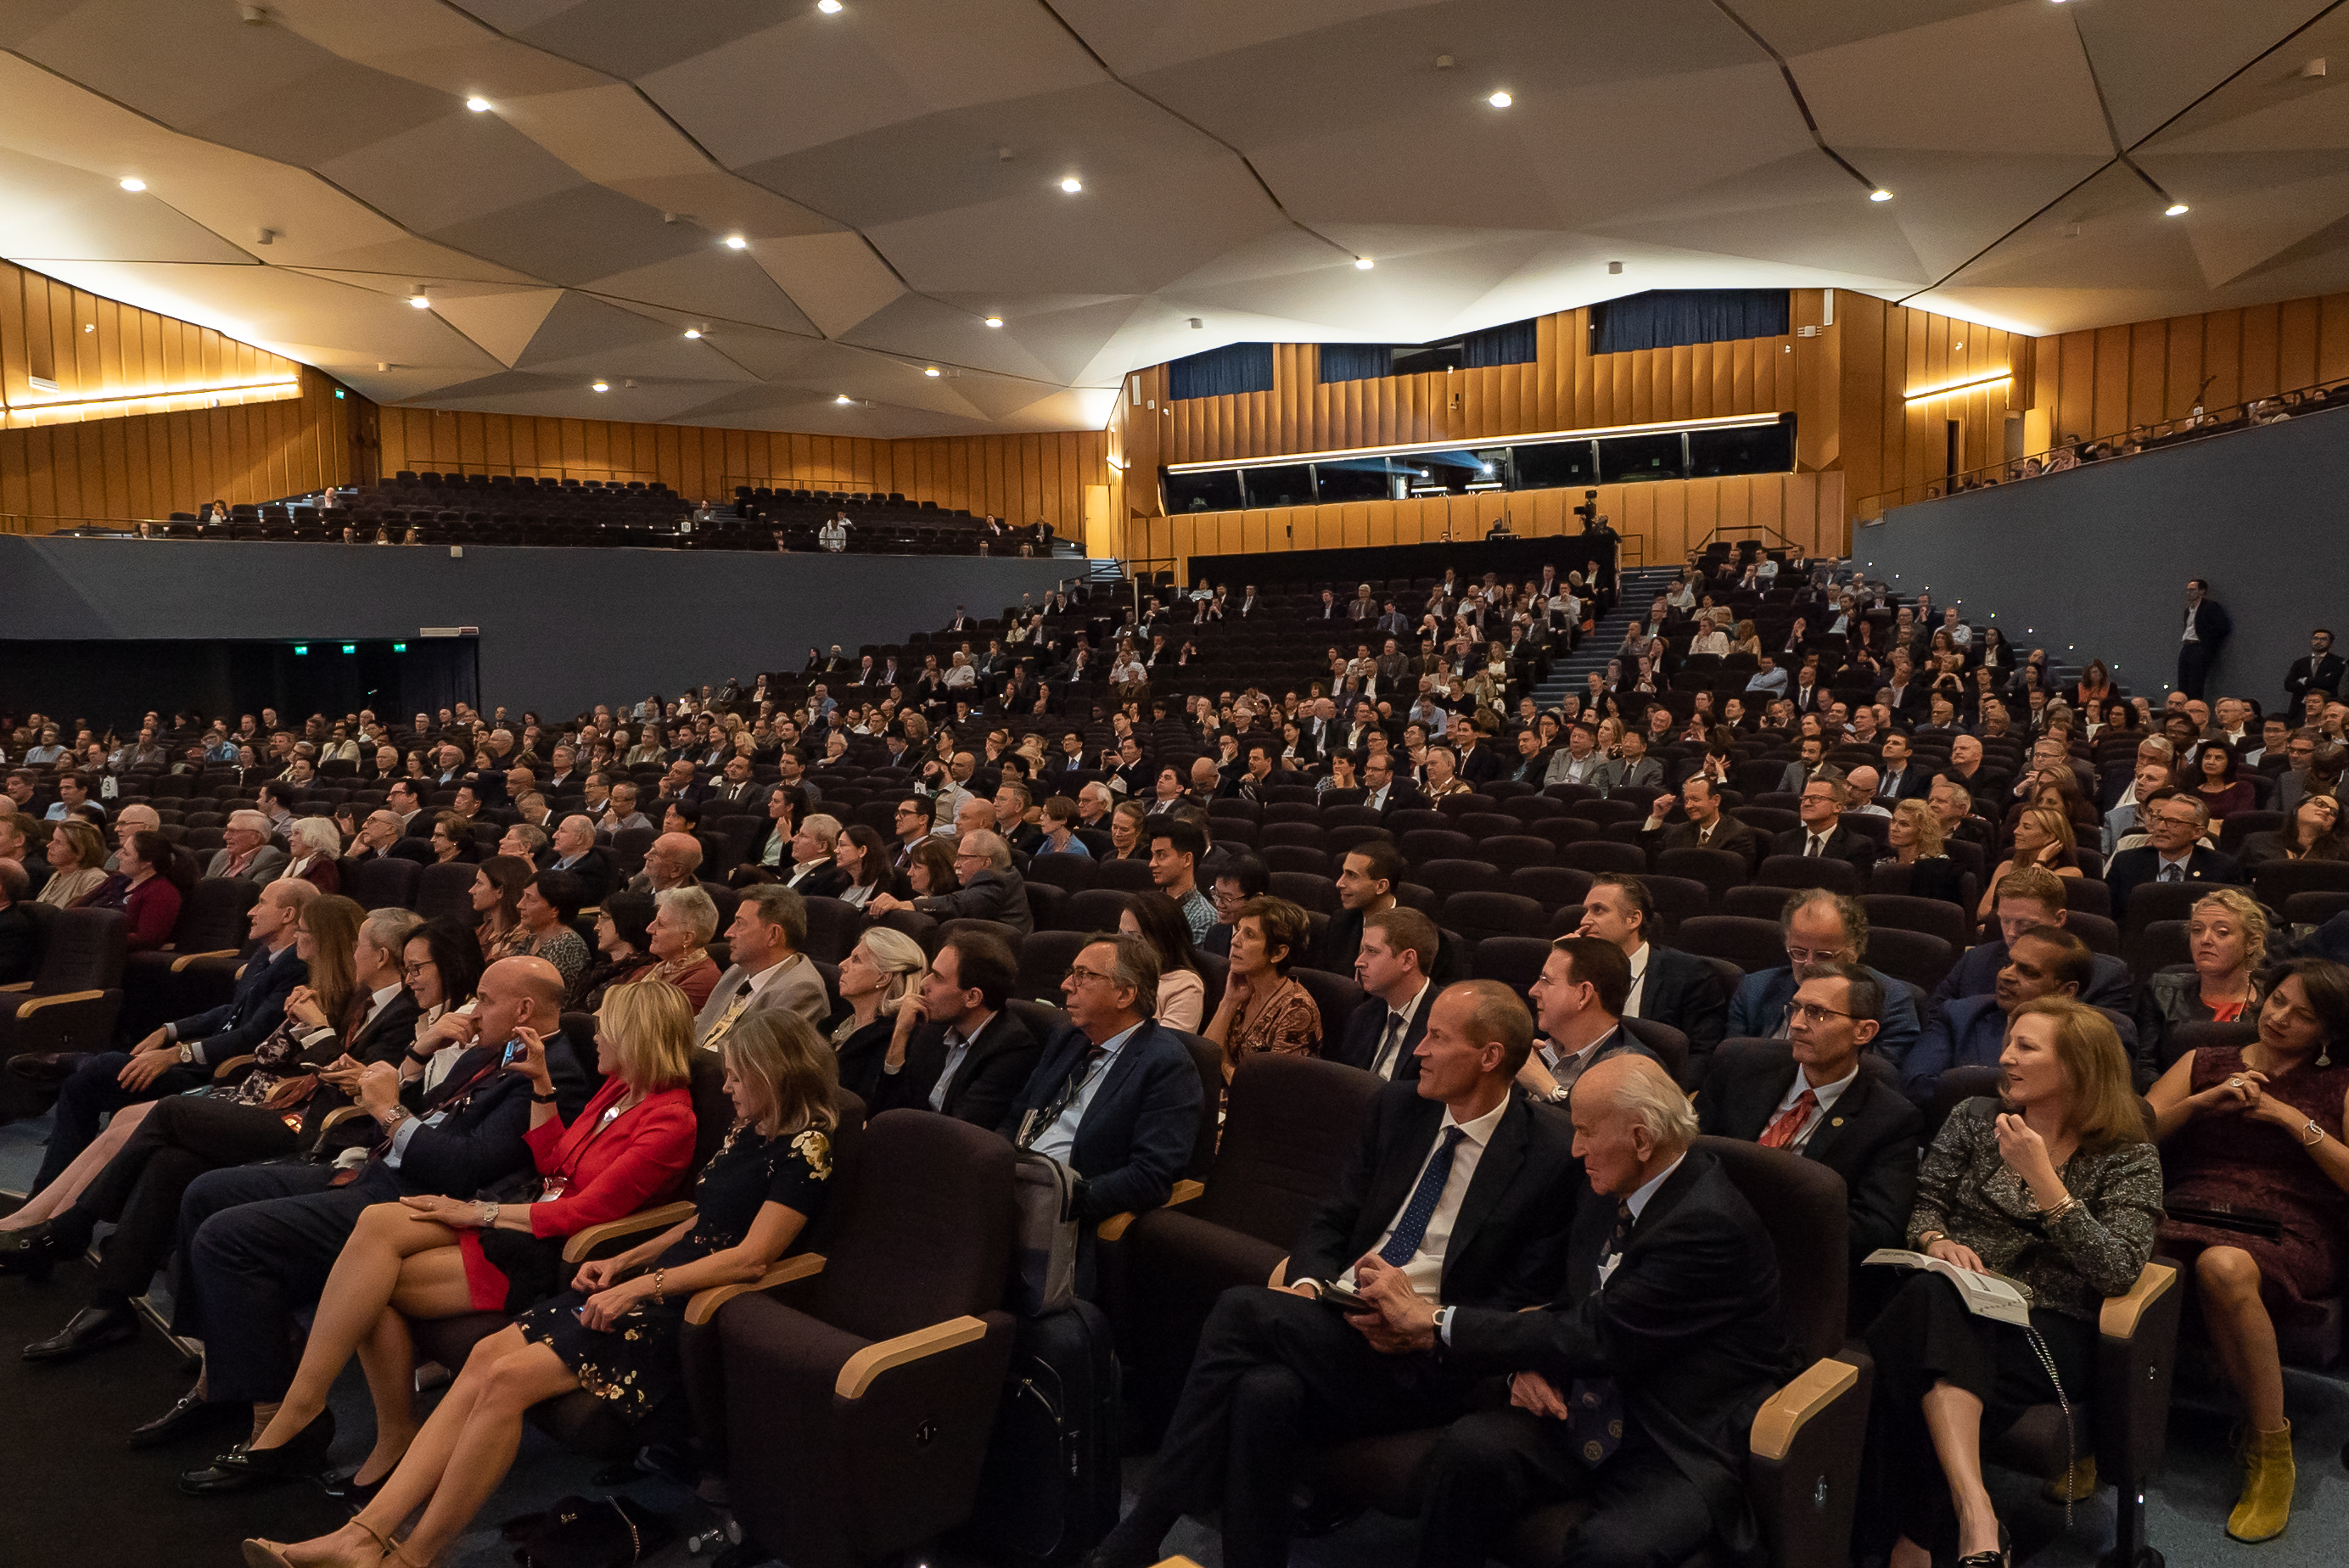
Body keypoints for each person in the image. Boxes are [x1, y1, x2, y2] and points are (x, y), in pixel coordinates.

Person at [240, 1009, 833, 1568]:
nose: (727, 1088)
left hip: (679, 1311)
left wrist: (639, 1286)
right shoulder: (751, 1129)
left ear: (771, 1076)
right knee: (483, 1357)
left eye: (736, 1077)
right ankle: (362, 1535)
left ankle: (411, 1555)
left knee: (504, 1383)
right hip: (650, 1283)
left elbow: (753, 1258)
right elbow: (701, 1220)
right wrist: (624, 1259)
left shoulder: (808, 1148)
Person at [1088, 981, 1581, 1568]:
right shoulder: (1401, 1107)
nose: (1418, 1048)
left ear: (1490, 1057)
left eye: (1437, 1038)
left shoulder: (1548, 1155)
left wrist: (1426, 1324)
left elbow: (1523, 1295)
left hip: (1431, 1355)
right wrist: (1306, 1286)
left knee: (1240, 1311)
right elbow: (1333, 1216)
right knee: (1262, 1391)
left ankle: (1146, 1526)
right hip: (1339, 1317)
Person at [209, 977, 697, 1504]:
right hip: (526, 1216)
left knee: (373, 1285)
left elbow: (586, 1211)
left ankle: (337, 1422)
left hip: (550, 1249)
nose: (596, 1034)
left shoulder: (671, 1118)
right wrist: (540, 1087)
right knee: (376, 1226)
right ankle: (315, 1413)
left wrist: (476, 1211)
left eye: (608, 1027)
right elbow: (553, 1163)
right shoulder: (618, 1088)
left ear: (638, 1036)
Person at [150, 958, 589, 1478]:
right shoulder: (494, 1051)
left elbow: (463, 1168)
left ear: (524, 1008)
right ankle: (220, 1376)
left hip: (415, 1203)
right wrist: (414, 1058)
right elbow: (428, 1110)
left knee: (227, 1237)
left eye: (486, 1000)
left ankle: (275, 1417)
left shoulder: (552, 1071)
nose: (474, 1008)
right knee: (206, 1191)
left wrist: (386, 1111)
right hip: (379, 1172)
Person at [1366, 1051, 1799, 1568]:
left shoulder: (1707, 1224)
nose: (1575, 1150)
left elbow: (1598, 1336)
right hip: (1582, 1401)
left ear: (1641, 1139)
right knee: (1469, 1451)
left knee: (1609, 1552)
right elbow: (1575, 1302)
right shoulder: (1609, 1184)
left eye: (1587, 1132)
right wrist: (1527, 1359)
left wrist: (1435, 1320)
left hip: (1668, 1435)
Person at [1859, 1000, 2160, 1568]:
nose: (2005, 1058)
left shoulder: (2127, 1153)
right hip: (1952, 1302)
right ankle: (1973, 1515)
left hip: (2047, 1327)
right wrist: (1934, 1242)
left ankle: (1920, 1536)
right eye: (2009, 1042)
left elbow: (2118, 1269)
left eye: (2026, 1047)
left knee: (1909, 1346)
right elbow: (1926, 1206)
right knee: (1933, 1304)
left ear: (2076, 1065)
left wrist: (2043, 1178)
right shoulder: (1974, 1116)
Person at [3, 898, 375, 1340]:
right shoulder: (307, 981)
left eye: (305, 932)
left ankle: (64, 1225)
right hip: (256, 1092)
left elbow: (329, 1074)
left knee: (153, 1109)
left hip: (288, 1115)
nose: (251, 910)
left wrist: (308, 1026)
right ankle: (90, 1279)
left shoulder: (349, 999)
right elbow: (258, 1041)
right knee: (147, 1139)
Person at [2146, 958, 2349, 1541]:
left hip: (2295, 1227)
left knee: (2223, 1265)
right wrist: (2204, 1103)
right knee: (2118, 1250)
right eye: (2278, 1000)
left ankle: (2270, 1453)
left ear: (2328, 1033)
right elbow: (2133, 1131)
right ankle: (2099, 1428)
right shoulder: (2203, 1060)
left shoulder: (2340, 1084)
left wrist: (2290, 1119)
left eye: (2302, 1015)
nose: (2279, 1017)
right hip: (2189, 1208)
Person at [14, 876, 315, 1191]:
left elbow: (251, 1036)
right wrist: (169, 1030)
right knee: (80, 1087)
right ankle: (47, 1193)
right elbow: (232, 1011)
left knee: (97, 1072)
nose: (251, 911)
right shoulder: (265, 954)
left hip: (226, 1074)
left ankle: (79, 1070)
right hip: (205, 1060)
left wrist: (176, 1053)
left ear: (288, 914)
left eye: (262, 903)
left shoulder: (298, 966)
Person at [998, 934, 1204, 1291]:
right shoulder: (1069, 1037)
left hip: (1068, 1216)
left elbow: (1151, 1176)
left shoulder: (1167, 1066)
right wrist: (992, 1167)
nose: (1066, 985)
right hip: (1012, 1187)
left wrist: (1062, 1198)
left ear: (1125, 994)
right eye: (1071, 973)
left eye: (1083, 975)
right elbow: (1019, 1115)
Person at [1701, 961, 1920, 1268]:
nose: (1796, 1024)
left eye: (1817, 1013)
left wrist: (1764, 1230)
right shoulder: (1739, 1067)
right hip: (1703, 1234)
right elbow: (1690, 1151)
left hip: (1793, 1262)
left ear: (1864, 1031)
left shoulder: (1890, 1120)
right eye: (1796, 1008)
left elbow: (1876, 1228)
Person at [1904, 924, 2133, 1102]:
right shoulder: (1959, 1014)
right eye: (2009, 963)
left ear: (2066, 991)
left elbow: (2100, 1106)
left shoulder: (2105, 1037)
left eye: (2028, 972)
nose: (2006, 975)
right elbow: (1915, 1084)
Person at [1725, 890, 1923, 1067]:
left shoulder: (1891, 1001)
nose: (1809, 964)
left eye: (1825, 955)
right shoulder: (1754, 989)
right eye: (1799, 952)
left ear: (1854, 950)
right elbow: (1732, 1064)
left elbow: (1877, 1078)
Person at [872, 928, 1041, 1125]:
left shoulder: (1012, 1050)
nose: (924, 984)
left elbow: (961, 1132)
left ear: (972, 997)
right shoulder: (933, 1027)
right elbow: (887, 1110)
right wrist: (900, 1034)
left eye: (937, 977)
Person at [1573, 875, 1725, 1079]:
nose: (1584, 921)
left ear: (1633, 919)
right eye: (1586, 911)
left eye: (1598, 910)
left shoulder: (1689, 974)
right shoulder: (1579, 969)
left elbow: (1703, 1055)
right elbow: (1544, 1030)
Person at [1932, 867, 2133, 1014]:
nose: (2011, 932)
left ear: (2058, 919)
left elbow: (2106, 1054)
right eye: (2005, 920)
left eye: (2025, 924)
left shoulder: (2106, 976)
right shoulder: (1975, 960)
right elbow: (1937, 1019)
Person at [2136, 888, 2268, 1079]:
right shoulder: (2161, 991)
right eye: (2196, 930)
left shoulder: (2273, 1000)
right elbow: (2144, 1067)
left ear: (2252, 943)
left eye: (2222, 932)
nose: (2205, 940)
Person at [1512, 935, 1658, 1108]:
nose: (1533, 991)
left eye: (1546, 981)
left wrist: (1547, 1089)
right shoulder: (1533, 1045)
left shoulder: (1633, 1072)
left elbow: (1591, 1133)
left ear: (1583, 994)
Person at [696, 882, 832, 1050]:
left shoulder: (801, 990)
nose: (728, 933)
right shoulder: (737, 971)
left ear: (773, 935)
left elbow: (761, 1059)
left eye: (740, 924)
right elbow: (699, 1026)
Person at [1202, 895, 1321, 1079]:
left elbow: (1269, 1092)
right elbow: (1205, 1056)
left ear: (1279, 953)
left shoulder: (1298, 1010)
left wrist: (1223, 1065)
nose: (1234, 941)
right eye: (1238, 930)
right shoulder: (1242, 989)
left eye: (1249, 935)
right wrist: (1228, 1002)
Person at [828, 926, 928, 1103]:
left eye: (856, 960)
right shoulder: (834, 1022)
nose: (842, 965)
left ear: (883, 978)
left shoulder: (884, 1039)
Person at [1338, 906, 1439, 1080]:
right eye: (1362, 951)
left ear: (1407, 960)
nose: (1358, 962)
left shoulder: (1444, 1027)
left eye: (1372, 952)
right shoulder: (1362, 1016)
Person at [2105, 789, 2242, 916]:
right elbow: (2111, 916)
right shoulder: (2126, 862)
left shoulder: (2222, 868)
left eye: (2173, 821)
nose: (2161, 827)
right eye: (2159, 819)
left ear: (2197, 832)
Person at [1120, 892, 1210, 1033]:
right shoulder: (1117, 972)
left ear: (1162, 940)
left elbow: (1166, 1050)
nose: (1124, 945)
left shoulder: (1184, 985)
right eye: (1121, 934)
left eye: (1136, 938)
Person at [1976, 804, 2082, 921]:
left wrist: (2040, 861)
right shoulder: (2006, 867)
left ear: (2049, 836)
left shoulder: (2070, 873)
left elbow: (2028, 915)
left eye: (2026, 827)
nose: (2016, 831)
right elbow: (1983, 913)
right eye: (2019, 825)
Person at [1638, 776, 1762, 873]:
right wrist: (1656, 817)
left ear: (1715, 800)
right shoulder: (1678, 831)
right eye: (1686, 800)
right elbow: (1653, 863)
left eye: (1696, 799)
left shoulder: (1738, 834)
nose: (1688, 806)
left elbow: (1734, 877)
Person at [1317, 841, 1404, 974]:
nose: (1339, 883)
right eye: (1343, 873)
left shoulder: (1414, 934)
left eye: (1352, 875)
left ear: (1381, 886)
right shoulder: (1340, 921)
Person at [1775, 776, 1879, 876]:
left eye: (1816, 798)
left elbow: (1855, 889)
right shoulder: (1783, 840)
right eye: (1804, 798)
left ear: (1837, 807)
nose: (1806, 803)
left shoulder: (1857, 846)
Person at [575, 891, 659, 1010]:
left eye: (604, 918)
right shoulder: (603, 967)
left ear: (625, 922)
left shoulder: (639, 977)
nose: (597, 927)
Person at [646, 885, 724, 1011]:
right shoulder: (657, 968)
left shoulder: (704, 980)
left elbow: (651, 1022)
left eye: (660, 924)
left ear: (687, 938)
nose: (649, 929)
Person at [2238, 791, 2344, 867]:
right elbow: (2236, 880)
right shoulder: (2257, 841)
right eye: (2320, 804)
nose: (2327, 811)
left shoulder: (2338, 854)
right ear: (2297, 809)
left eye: (2334, 813)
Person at [2178, 577, 2232, 701]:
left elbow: (2222, 627)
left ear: (2202, 591)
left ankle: (2194, 708)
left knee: (2195, 683)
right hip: (2187, 646)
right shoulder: (2188, 610)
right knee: (2183, 682)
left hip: (2199, 646)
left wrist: (2207, 643)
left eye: (2192, 589)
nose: (2189, 593)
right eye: (2188, 590)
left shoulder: (2210, 607)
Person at [36, 817, 109, 908]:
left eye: (58, 842)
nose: (49, 845)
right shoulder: (57, 875)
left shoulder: (94, 879)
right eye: (52, 840)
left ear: (80, 852)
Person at [469, 854, 530, 961]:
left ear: (500, 892)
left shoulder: (520, 938)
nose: (471, 890)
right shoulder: (486, 929)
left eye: (479, 883)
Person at [2193, 742, 2259, 820]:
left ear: (2229, 763)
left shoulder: (2243, 788)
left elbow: (2242, 819)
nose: (2211, 762)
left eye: (2218, 758)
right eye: (2207, 757)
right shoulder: (2193, 790)